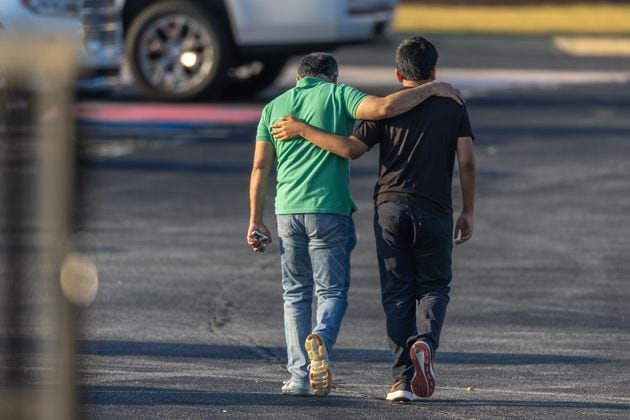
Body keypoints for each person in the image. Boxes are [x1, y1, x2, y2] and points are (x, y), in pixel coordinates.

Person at [271, 37, 476, 402]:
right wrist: (469, 211)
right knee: (432, 286)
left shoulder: (388, 107)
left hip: (390, 209)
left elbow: (351, 149)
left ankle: (401, 381)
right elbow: (467, 161)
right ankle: (425, 343)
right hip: (435, 210)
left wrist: (304, 130)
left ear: (398, 73)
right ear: (434, 71)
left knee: (397, 294)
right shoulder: (453, 105)